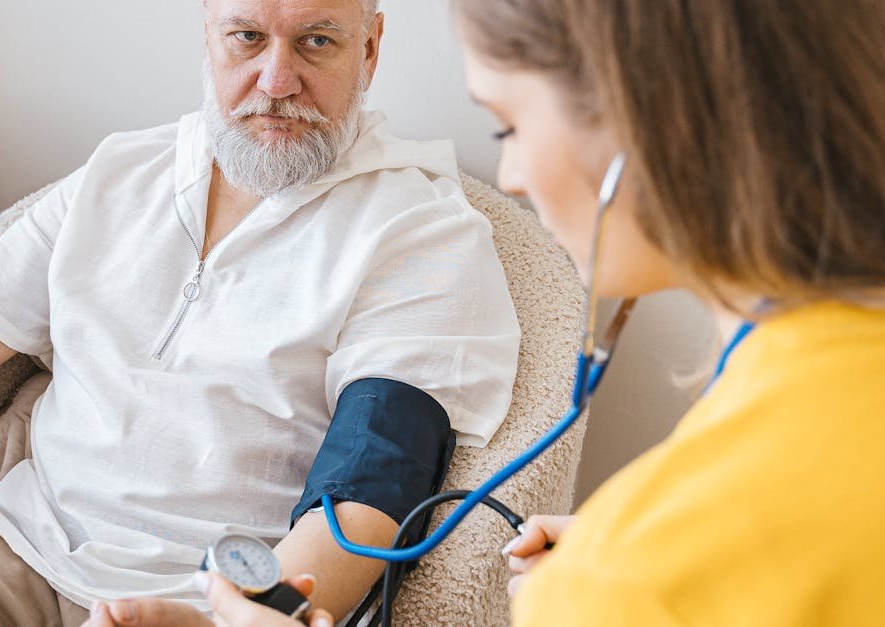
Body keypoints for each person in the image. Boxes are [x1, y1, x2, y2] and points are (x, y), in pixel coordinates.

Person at [0, 0, 522, 625]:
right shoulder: (123, 172)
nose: (276, 80)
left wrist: (245, 614)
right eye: (247, 38)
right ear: (207, 35)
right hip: (4, 558)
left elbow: (372, 483)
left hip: (205, 599)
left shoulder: (420, 233)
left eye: (316, 42)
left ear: (369, 49)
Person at [89, 0, 885, 624]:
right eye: (246, 38)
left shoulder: (633, 579)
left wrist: (631, 576)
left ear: (658, 126)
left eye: (508, 123)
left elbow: (372, 472)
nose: (507, 173)